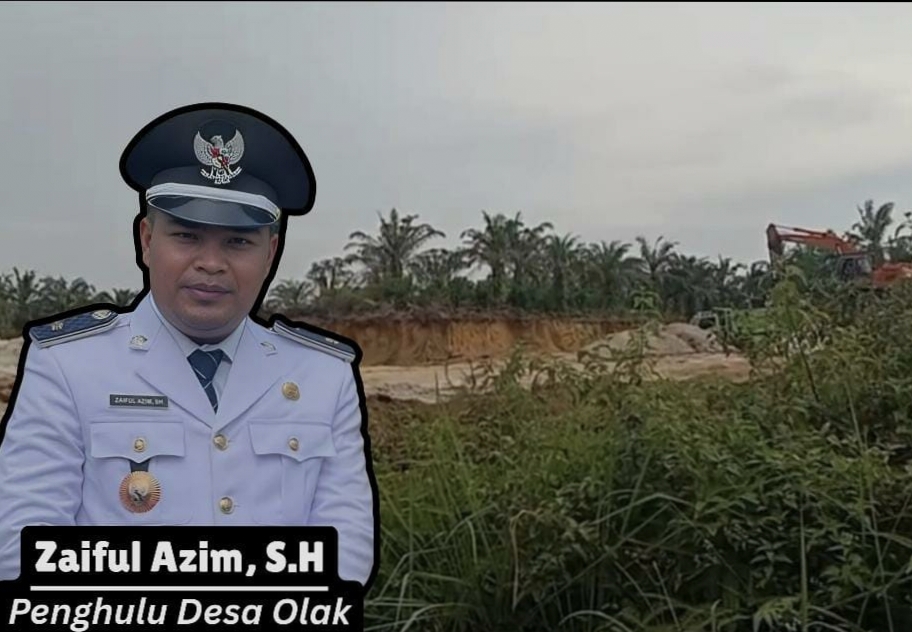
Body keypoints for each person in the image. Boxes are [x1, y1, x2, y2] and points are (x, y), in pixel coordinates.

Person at [0, 102, 378, 587]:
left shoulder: (323, 376)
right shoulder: (68, 366)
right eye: (186, 236)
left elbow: (344, 554)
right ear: (146, 240)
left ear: (271, 253)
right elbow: (23, 546)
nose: (211, 263)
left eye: (238, 242)